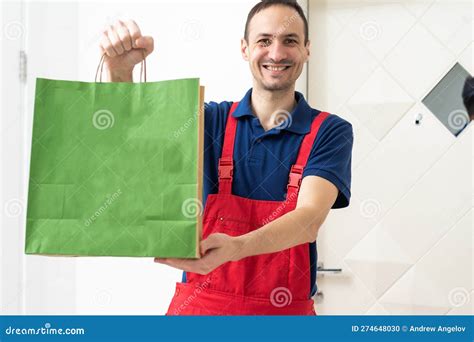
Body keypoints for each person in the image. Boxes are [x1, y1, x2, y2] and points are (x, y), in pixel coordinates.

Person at [99, 0, 353, 315]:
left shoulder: (330, 132)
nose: (276, 53)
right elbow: (132, 145)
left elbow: (308, 221)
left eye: (290, 41)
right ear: (245, 49)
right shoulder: (209, 121)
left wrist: (236, 248)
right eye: (264, 40)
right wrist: (120, 72)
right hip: (199, 313)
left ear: (306, 50)